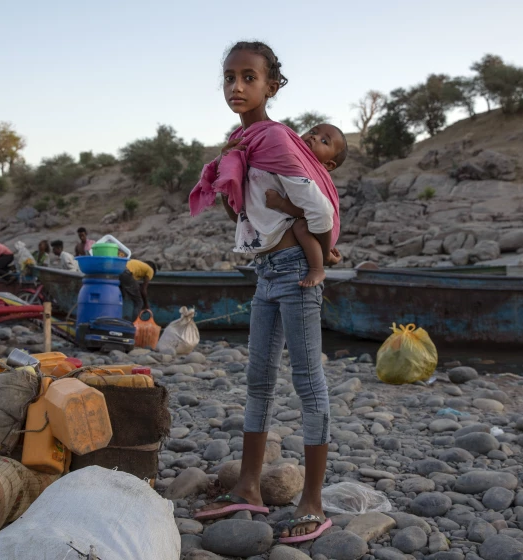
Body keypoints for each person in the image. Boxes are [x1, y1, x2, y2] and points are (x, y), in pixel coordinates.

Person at [191, 41, 339, 543]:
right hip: (265, 273)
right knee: (257, 381)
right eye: (229, 76)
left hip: (297, 271)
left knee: (307, 383)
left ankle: (313, 501)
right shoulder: (243, 141)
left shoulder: (273, 138)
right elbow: (248, 214)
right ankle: (250, 487)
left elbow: (317, 212)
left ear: (271, 85)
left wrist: (289, 214)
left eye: (249, 77)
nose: (237, 86)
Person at [262, 123, 348, 287]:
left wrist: (280, 203)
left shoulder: (312, 175)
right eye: (312, 131)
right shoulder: (297, 165)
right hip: (312, 230)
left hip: (322, 228)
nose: (314, 137)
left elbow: (306, 211)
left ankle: (318, 268)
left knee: (300, 226)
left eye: (324, 141)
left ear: (328, 165)